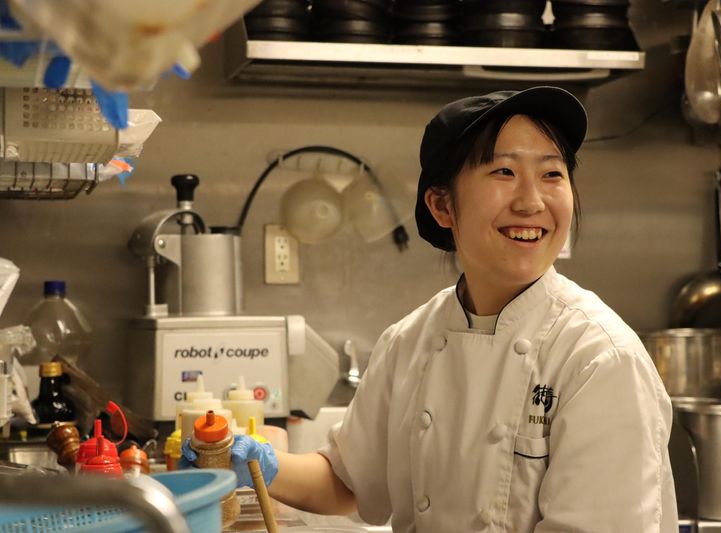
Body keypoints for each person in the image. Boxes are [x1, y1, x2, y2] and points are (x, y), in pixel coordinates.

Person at [182, 86, 679, 532]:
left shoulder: (599, 359)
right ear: (442, 206)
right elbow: (348, 482)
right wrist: (253, 461)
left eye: (552, 173)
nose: (532, 201)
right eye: (504, 172)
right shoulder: (410, 341)